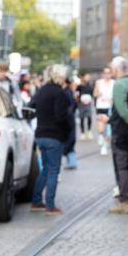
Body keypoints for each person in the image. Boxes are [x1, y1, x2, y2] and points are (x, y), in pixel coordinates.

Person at [28, 64, 72, 215]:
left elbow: (30, 106)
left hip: (40, 134)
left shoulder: (42, 90)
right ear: (61, 76)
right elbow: (62, 116)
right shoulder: (59, 93)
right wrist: (67, 130)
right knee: (53, 170)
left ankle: (36, 201)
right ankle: (50, 205)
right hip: (54, 136)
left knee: (45, 169)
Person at [107, 56, 128, 214]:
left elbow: (122, 110)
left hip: (122, 130)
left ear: (116, 69)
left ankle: (125, 200)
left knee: (121, 165)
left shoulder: (119, 84)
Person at [94, 66, 114, 154]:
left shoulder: (114, 83)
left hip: (110, 107)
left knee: (109, 130)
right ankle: (102, 143)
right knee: (101, 129)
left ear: (111, 74)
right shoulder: (99, 82)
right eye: (105, 73)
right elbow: (95, 94)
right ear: (102, 74)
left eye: (108, 73)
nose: (107, 75)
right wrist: (98, 89)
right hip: (101, 107)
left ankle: (105, 145)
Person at [76, 72, 95, 141]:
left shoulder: (90, 86)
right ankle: (83, 133)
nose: (87, 78)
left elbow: (92, 94)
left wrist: (90, 99)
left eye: (88, 77)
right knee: (82, 118)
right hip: (81, 104)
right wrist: (79, 100)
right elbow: (76, 94)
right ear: (83, 77)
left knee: (89, 117)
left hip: (88, 104)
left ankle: (89, 131)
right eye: (86, 77)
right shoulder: (79, 86)